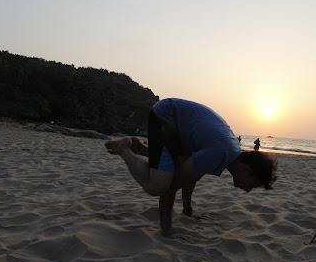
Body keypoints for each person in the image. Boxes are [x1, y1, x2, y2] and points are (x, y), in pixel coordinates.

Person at [105, 98, 278, 236]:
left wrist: (187, 210)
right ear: (247, 170)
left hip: (180, 126)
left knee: (180, 167)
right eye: (252, 185)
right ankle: (124, 149)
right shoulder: (220, 155)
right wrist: (167, 231)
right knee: (158, 185)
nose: (248, 190)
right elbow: (171, 189)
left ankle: (138, 147)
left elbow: (193, 175)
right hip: (166, 117)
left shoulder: (231, 152)